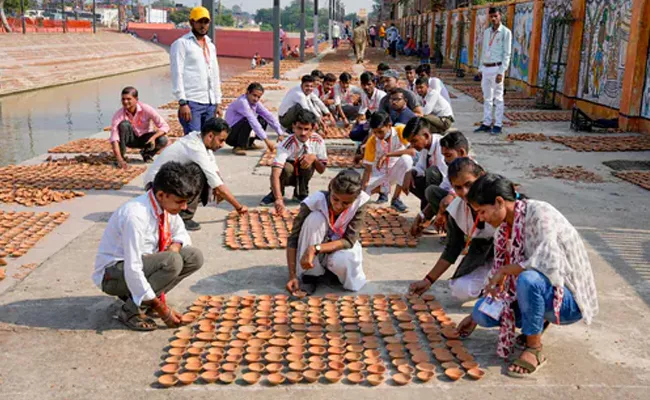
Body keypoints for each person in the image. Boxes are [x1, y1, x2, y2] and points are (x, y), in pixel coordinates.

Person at [455, 174, 598, 377]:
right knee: (482, 314)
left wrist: (506, 270)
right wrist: (473, 317)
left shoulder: (541, 214)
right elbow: (499, 280)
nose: (482, 218)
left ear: (498, 202)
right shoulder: (503, 230)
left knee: (528, 279)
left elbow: (548, 264)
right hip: (537, 292)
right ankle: (538, 320)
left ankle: (534, 348)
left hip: (567, 300)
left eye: (483, 212)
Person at [94, 162, 204, 331]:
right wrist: (162, 310)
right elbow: (133, 267)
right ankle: (131, 310)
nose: (184, 207)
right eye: (180, 202)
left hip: (139, 267)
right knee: (172, 261)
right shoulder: (136, 215)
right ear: (161, 194)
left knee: (193, 257)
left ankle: (144, 301)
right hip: (114, 274)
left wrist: (175, 245)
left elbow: (180, 233)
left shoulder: (164, 207)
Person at [408, 158, 494, 301]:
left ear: (481, 177)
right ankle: (489, 284)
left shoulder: (497, 202)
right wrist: (428, 280)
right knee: (460, 289)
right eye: (458, 188)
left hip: (513, 254)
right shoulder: (458, 208)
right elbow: (453, 247)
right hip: (484, 252)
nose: (465, 192)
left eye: (469, 184)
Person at [144, 118, 248, 231]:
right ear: (210, 136)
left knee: (208, 175)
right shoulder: (195, 147)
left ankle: (179, 207)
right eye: (221, 140)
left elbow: (214, 169)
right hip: (155, 185)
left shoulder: (200, 141)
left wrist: (218, 188)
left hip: (169, 180)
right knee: (198, 172)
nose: (222, 145)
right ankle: (184, 216)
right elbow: (216, 183)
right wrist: (239, 207)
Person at [285, 169, 370, 296]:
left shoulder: (360, 203)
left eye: (346, 203)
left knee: (344, 260)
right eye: (335, 199)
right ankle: (310, 274)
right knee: (315, 219)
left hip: (339, 247)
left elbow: (349, 240)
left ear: (355, 198)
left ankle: (333, 273)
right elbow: (293, 237)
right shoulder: (315, 201)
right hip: (318, 246)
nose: (338, 206)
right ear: (330, 188)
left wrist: (315, 248)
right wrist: (292, 275)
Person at [260, 109, 328, 211]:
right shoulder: (286, 144)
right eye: (299, 128)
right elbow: (275, 173)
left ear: (313, 128)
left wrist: (314, 158)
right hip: (289, 173)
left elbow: (321, 170)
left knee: (308, 160)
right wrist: (278, 199)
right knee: (286, 168)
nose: (303, 133)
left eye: (306, 129)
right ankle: (276, 193)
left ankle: (301, 192)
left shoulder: (318, 141)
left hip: (303, 171)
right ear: (293, 127)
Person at [171, 6, 223, 135]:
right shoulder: (182, 44)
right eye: (200, 21)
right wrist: (182, 102)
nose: (203, 25)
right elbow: (177, 73)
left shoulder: (210, 46)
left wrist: (218, 102)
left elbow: (215, 74)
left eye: (206, 22)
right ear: (191, 22)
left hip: (210, 103)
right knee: (193, 142)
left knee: (208, 141)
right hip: (192, 102)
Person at [361, 112, 413, 212]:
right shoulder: (372, 141)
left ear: (389, 125)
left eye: (380, 132)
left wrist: (387, 155)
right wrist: (363, 190)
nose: (377, 135)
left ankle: (396, 199)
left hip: (395, 170)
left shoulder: (400, 131)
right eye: (374, 132)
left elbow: (412, 151)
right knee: (360, 194)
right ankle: (381, 190)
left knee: (407, 160)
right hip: (379, 174)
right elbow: (367, 170)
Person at [110, 86, 170, 167]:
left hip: (145, 139)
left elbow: (164, 126)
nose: (125, 101)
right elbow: (114, 139)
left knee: (163, 139)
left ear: (136, 99)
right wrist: (119, 158)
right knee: (124, 125)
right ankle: (122, 157)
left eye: (128, 99)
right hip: (130, 139)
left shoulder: (146, 109)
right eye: (123, 99)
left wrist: (153, 138)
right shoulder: (119, 115)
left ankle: (147, 154)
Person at [475, 7, 512, 135]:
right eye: (491, 16)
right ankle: (486, 123)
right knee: (487, 98)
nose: (493, 19)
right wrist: (480, 68)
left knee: (498, 98)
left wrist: (502, 72)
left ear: (500, 16)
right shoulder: (486, 32)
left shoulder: (506, 32)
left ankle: (498, 124)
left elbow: (507, 54)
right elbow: (484, 51)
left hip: (497, 68)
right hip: (486, 67)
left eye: (496, 16)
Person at [400, 116, 451, 210]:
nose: (412, 146)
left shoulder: (442, 147)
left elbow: (447, 179)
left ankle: (431, 210)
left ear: (426, 136)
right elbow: (420, 167)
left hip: (449, 190)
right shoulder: (425, 147)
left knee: (432, 173)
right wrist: (410, 172)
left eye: (414, 141)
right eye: (410, 142)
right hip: (437, 186)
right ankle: (429, 209)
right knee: (410, 176)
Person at [225, 82, 285, 155]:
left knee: (262, 118)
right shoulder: (242, 102)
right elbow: (252, 120)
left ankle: (249, 143)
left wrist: (279, 132)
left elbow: (268, 115)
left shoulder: (255, 103)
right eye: (254, 95)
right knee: (248, 120)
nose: (256, 99)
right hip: (230, 134)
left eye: (258, 97)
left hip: (238, 129)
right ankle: (239, 146)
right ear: (248, 92)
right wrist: (267, 141)